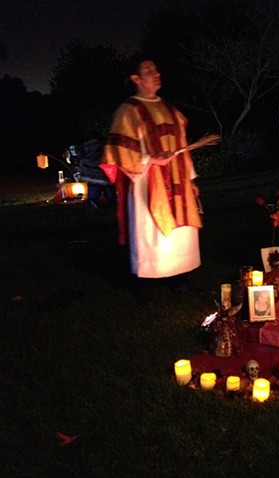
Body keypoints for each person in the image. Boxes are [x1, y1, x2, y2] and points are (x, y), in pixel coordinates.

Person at [100, 53, 202, 304]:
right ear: (136, 78)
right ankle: (142, 283)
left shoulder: (169, 108)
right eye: (149, 71)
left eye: (156, 70)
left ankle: (180, 279)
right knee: (149, 233)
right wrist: (150, 160)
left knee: (182, 233)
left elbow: (183, 145)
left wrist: (190, 179)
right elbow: (118, 152)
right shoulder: (128, 111)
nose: (156, 74)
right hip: (147, 181)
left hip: (177, 179)